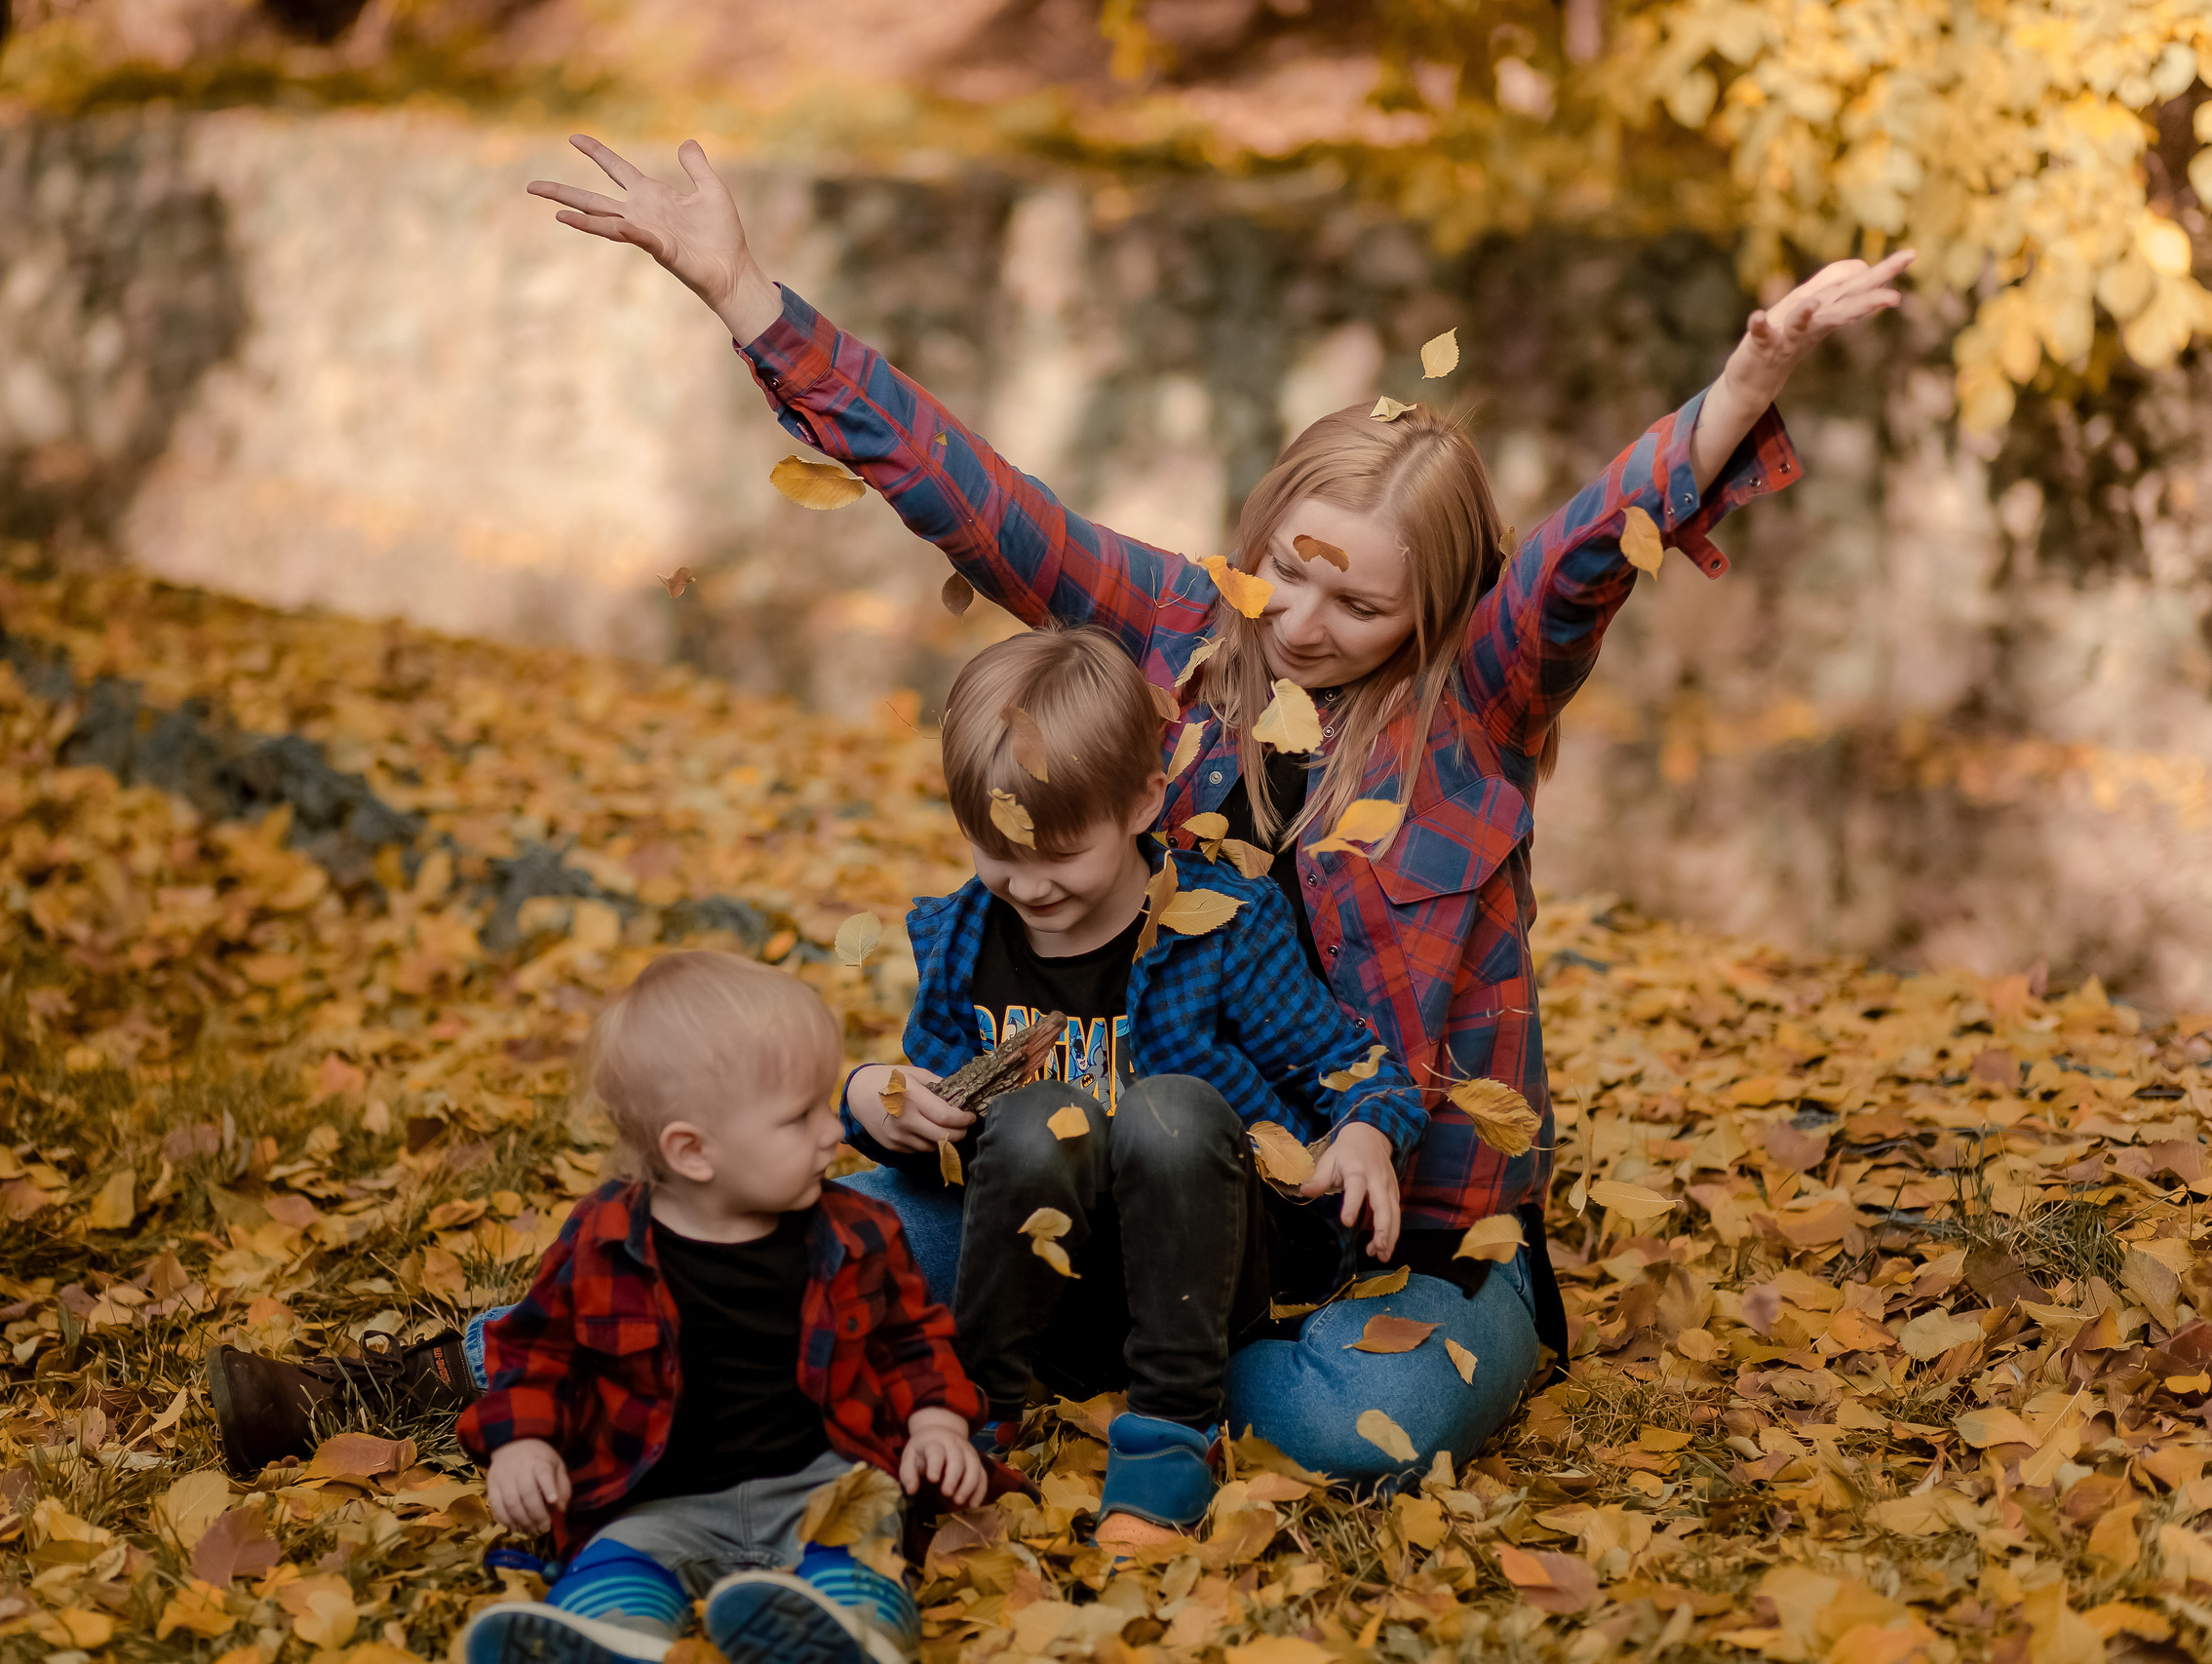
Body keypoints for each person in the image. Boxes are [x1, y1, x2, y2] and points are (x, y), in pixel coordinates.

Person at [523, 133, 1911, 1482]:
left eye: (1360, 603)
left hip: (1397, 1234)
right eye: (1284, 573)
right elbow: (983, 503)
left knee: (1341, 1419)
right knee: (813, 1241)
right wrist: (746, 298)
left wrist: (1741, 384)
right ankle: (536, 1368)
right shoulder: (1184, 633)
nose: (1301, 624)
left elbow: (1579, 557)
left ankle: (1112, 1352)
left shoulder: (1475, 707)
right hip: (1136, 1172)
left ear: (1430, 607)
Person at [833, 624, 1424, 1546]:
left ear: (1145, 801)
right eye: (1000, 851)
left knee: (1168, 1109)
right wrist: (877, 1097)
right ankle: (976, 1416)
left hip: (1205, 1256)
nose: (1027, 885)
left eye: (1060, 853)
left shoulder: (1218, 928)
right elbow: (936, 1117)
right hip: (1052, 1276)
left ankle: (1168, 1437)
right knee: (1040, 1120)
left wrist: (1366, 1132)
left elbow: (1355, 1069)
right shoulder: (962, 938)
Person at [454, 951, 987, 1664]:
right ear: (693, 1150)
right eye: (799, 1117)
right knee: (616, 1558)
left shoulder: (856, 1229)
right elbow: (536, 1349)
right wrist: (521, 1443)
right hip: (655, 1495)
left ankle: (844, 1626)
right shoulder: (606, 1239)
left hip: (820, 1483)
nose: (833, 1132)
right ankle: (609, 1634)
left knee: (864, 1534)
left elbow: (914, 1338)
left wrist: (937, 1423)